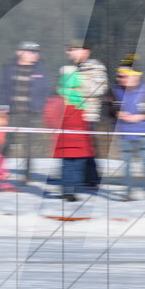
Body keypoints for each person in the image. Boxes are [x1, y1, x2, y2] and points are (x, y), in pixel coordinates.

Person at [0, 41, 50, 184]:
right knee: (7, 143)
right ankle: (0, 172)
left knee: (30, 145)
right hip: (12, 113)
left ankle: (27, 175)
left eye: (36, 52)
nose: (35, 55)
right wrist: (2, 107)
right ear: (19, 52)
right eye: (31, 52)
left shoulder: (41, 69)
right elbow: (2, 88)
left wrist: (41, 107)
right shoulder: (9, 68)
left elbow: (46, 90)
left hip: (32, 114)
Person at [43, 67, 94, 202]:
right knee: (75, 166)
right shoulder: (81, 100)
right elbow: (87, 121)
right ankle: (72, 189)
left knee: (69, 166)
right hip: (78, 140)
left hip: (66, 139)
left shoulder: (58, 99)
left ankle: (68, 190)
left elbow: (49, 117)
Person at [110, 58, 145, 200]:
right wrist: (116, 113)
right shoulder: (114, 89)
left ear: (135, 75)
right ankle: (128, 193)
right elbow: (106, 108)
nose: (120, 78)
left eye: (123, 75)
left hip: (143, 134)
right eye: (119, 75)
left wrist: (142, 116)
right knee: (127, 165)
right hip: (124, 135)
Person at [65, 39, 108, 191]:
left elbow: (99, 89)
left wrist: (76, 88)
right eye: (68, 50)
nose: (68, 52)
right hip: (73, 115)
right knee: (80, 149)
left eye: (72, 49)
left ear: (84, 51)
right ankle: (86, 179)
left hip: (87, 115)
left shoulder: (94, 66)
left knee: (86, 149)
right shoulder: (75, 68)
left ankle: (90, 180)